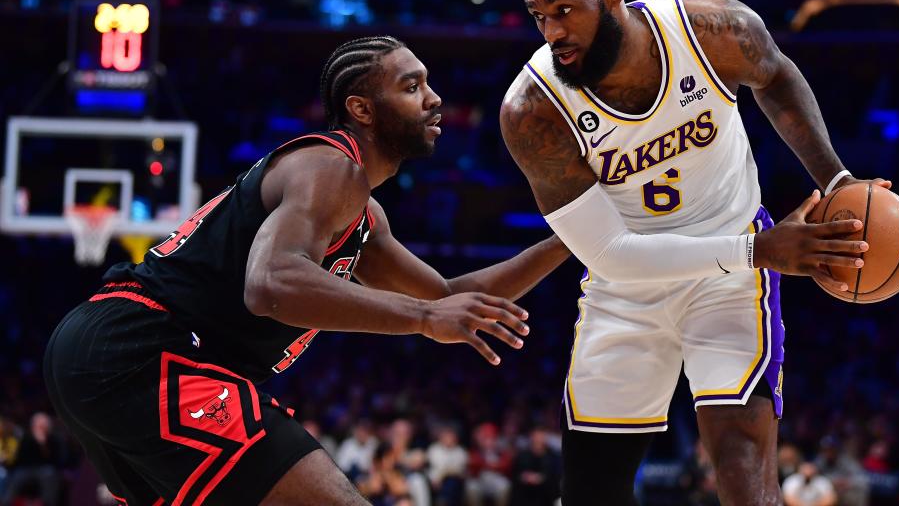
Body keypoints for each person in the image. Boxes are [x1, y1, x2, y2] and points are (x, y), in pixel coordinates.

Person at [44, 35, 571, 506]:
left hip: (116, 355)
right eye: (412, 87)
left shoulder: (361, 213)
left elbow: (449, 294)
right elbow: (271, 284)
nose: (434, 99)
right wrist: (421, 317)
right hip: (143, 349)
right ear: (362, 109)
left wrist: (575, 236)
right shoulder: (331, 165)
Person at [499, 0, 887, 505]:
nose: (553, 32)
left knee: (741, 468)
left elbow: (776, 76)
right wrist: (762, 252)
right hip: (627, 284)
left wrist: (836, 180)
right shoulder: (533, 109)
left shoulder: (713, 32)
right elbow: (608, 255)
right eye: (539, 17)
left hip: (729, 276)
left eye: (564, 11)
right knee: (590, 490)